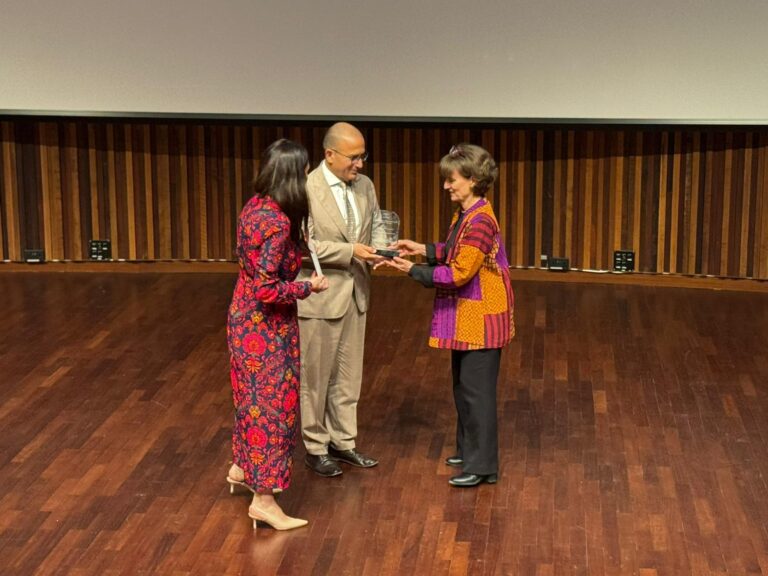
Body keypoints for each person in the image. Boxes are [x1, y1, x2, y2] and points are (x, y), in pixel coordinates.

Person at [377, 143, 515, 487]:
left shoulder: (481, 221)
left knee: (477, 393)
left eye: (451, 179)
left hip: (481, 319)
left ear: (472, 179)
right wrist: (421, 249)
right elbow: (454, 251)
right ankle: (469, 452)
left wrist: (412, 269)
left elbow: (459, 272)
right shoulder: (466, 214)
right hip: (469, 317)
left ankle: (482, 466)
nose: (446, 185)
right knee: (463, 387)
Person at [226, 139, 329, 530]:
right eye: (304, 170)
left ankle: (241, 468)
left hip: (242, 317)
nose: (307, 175)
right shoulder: (278, 223)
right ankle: (264, 500)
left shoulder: (256, 206)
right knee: (274, 410)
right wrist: (308, 287)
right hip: (266, 329)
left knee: (250, 401)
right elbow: (267, 289)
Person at [297, 122, 385, 477]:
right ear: (329, 154)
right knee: (316, 378)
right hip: (321, 296)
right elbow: (304, 246)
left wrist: (381, 250)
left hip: (356, 293)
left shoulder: (365, 186)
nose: (360, 164)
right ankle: (315, 447)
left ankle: (343, 441)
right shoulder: (306, 189)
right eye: (353, 157)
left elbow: (376, 224)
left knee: (349, 377)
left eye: (363, 156)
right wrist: (351, 251)